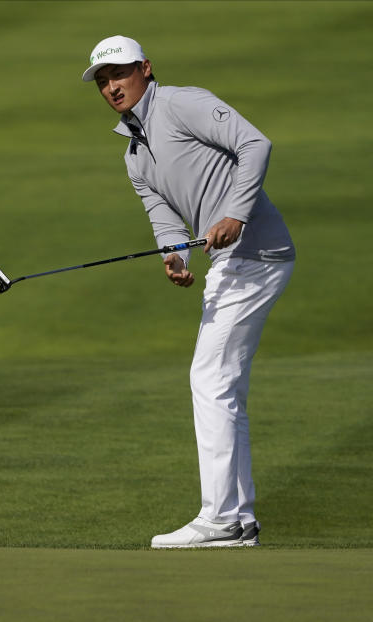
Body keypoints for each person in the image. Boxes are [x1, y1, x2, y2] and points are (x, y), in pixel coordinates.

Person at [82, 35, 296, 548]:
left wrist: (235, 214)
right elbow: (162, 214)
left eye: (121, 74)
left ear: (146, 69)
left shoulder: (182, 103)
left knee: (210, 378)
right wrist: (172, 254)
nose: (113, 86)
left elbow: (255, 144)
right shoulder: (134, 152)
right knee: (224, 386)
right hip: (229, 261)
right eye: (103, 80)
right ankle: (238, 519)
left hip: (254, 254)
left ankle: (220, 519)